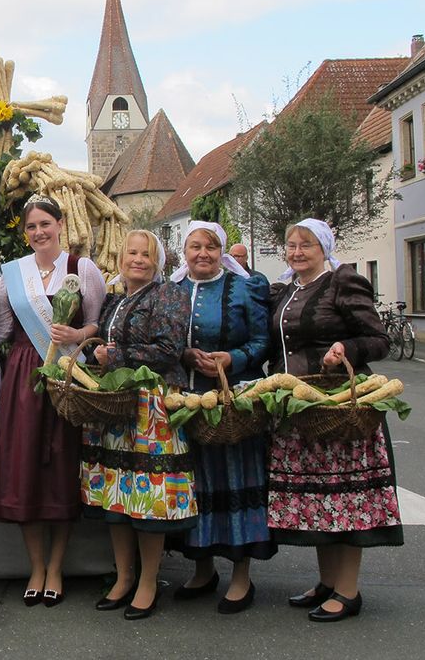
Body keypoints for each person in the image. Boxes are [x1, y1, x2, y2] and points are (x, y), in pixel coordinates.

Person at [268, 218, 400, 623]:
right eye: (291, 245)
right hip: (299, 409)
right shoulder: (287, 290)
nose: (297, 252)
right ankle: (326, 582)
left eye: (306, 245)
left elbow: (379, 340)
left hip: (339, 408)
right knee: (317, 500)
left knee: (345, 499)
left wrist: (346, 348)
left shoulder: (343, 282)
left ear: (324, 248)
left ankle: (348, 590)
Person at [0, 195, 106, 608]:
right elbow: (3, 329)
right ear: (24, 232)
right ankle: (36, 567)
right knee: (24, 470)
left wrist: (77, 335)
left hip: (67, 376)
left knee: (60, 469)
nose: (39, 232)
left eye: (45, 224)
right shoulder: (12, 273)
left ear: (60, 224)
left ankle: (56, 567)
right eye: (31, 227)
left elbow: (96, 323)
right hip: (25, 376)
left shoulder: (82, 268)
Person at [82, 229, 192, 620]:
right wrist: (98, 356)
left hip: (152, 406)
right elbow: (103, 344)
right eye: (132, 253)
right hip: (116, 407)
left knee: (148, 498)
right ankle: (124, 576)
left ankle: (148, 582)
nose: (138, 260)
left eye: (146, 254)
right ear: (121, 258)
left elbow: (169, 350)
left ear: (157, 261)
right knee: (117, 495)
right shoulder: (114, 299)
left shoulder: (169, 296)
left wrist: (116, 356)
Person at [168, 222, 273, 614]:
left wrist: (233, 358)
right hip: (187, 403)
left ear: (221, 252)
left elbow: (262, 342)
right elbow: (165, 340)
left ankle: (241, 575)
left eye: (211, 247)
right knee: (197, 485)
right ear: (185, 252)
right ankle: (203, 569)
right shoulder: (174, 290)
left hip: (234, 404)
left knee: (235, 480)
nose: (202, 254)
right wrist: (183, 355)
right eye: (195, 246)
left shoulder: (244, 288)